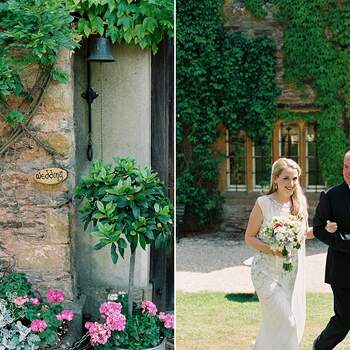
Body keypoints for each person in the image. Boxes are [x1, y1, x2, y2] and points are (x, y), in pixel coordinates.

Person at [245, 157, 333, 349]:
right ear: (275, 179)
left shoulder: (299, 203)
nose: (291, 184)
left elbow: (305, 234)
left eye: (295, 179)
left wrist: (325, 229)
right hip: (265, 272)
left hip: (288, 273)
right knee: (288, 322)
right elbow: (249, 237)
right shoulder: (263, 203)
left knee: (274, 324)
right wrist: (273, 249)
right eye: (286, 178)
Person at [312, 150, 350, 350]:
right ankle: (320, 346)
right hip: (342, 270)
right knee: (344, 321)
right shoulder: (331, 196)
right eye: (346, 166)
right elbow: (317, 228)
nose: (348, 171)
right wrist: (339, 239)